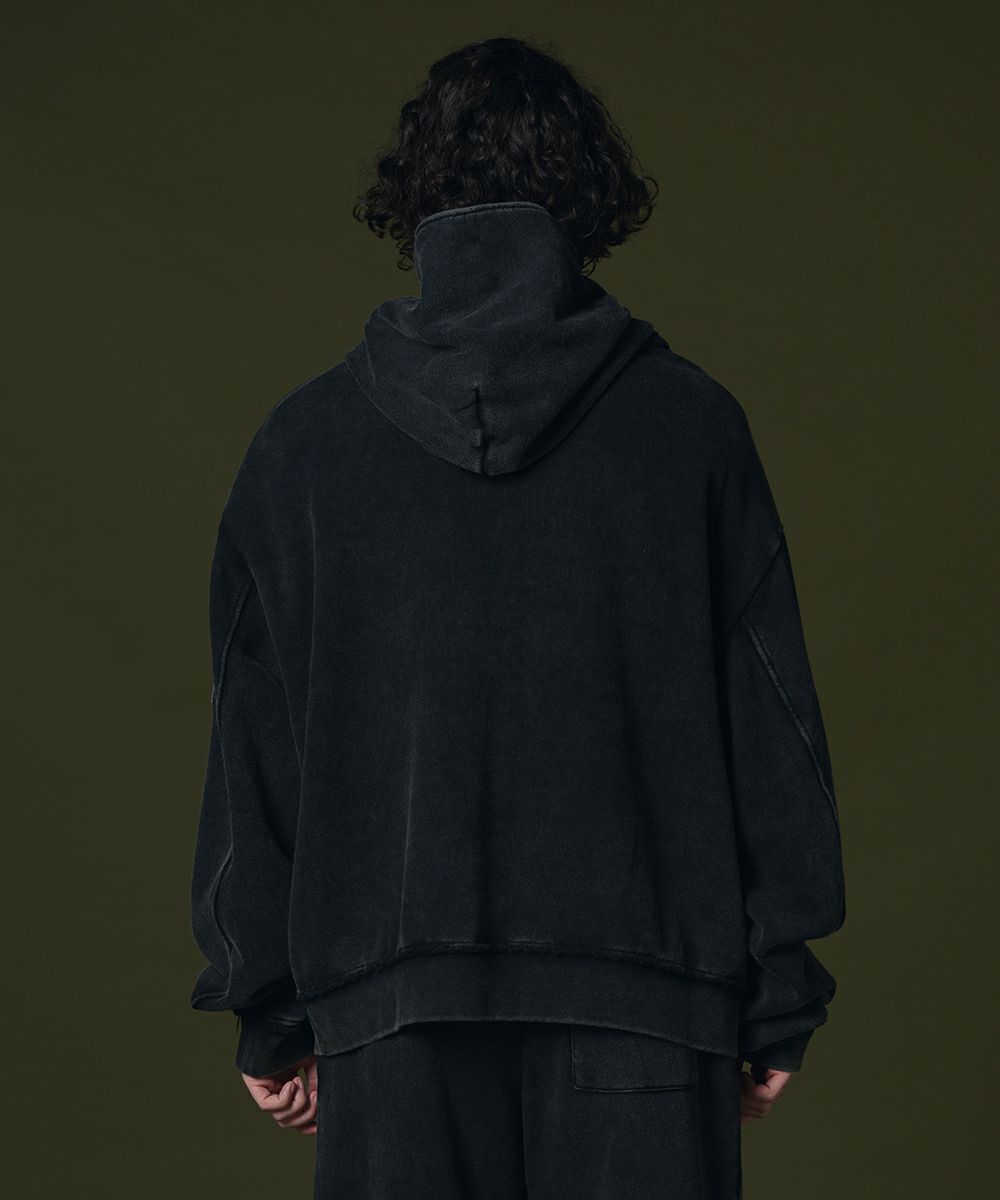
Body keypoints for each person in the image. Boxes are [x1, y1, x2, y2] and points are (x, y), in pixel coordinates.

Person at [188, 34, 846, 1199]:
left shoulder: (302, 449)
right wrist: (775, 991)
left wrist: (269, 1005)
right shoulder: (690, 427)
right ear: (588, 195)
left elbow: (254, 744)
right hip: (649, 1005)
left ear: (415, 200)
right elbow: (770, 717)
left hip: (394, 1017)